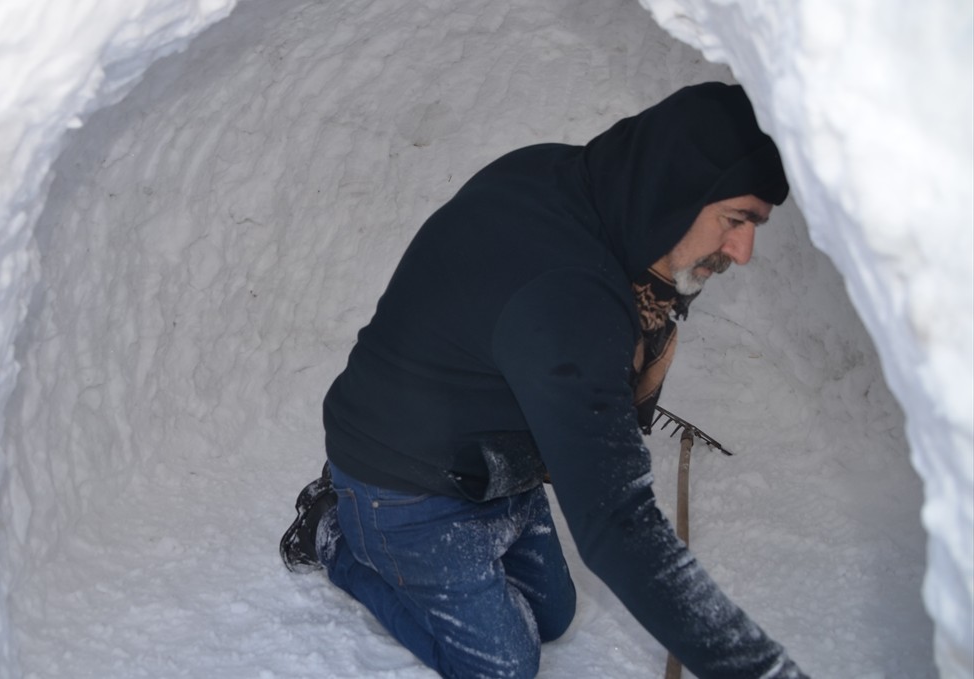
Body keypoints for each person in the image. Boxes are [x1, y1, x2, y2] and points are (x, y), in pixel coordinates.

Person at [280, 82, 807, 679]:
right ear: (674, 194)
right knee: (506, 665)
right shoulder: (569, 301)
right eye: (736, 220)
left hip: (491, 461)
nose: (743, 250)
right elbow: (617, 525)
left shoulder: (570, 180)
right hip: (401, 480)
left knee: (553, 616)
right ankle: (335, 533)